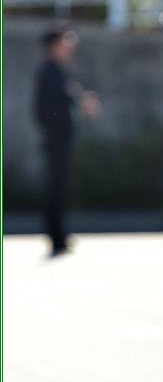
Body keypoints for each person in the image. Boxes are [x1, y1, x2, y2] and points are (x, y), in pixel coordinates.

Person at [33, 28, 100, 256]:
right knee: (56, 187)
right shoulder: (49, 72)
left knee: (59, 186)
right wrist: (82, 101)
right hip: (56, 138)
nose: (70, 47)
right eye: (66, 42)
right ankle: (56, 236)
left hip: (59, 137)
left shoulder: (56, 71)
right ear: (54, 45)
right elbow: (57, 99)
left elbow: (67, 93)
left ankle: (59, 235)